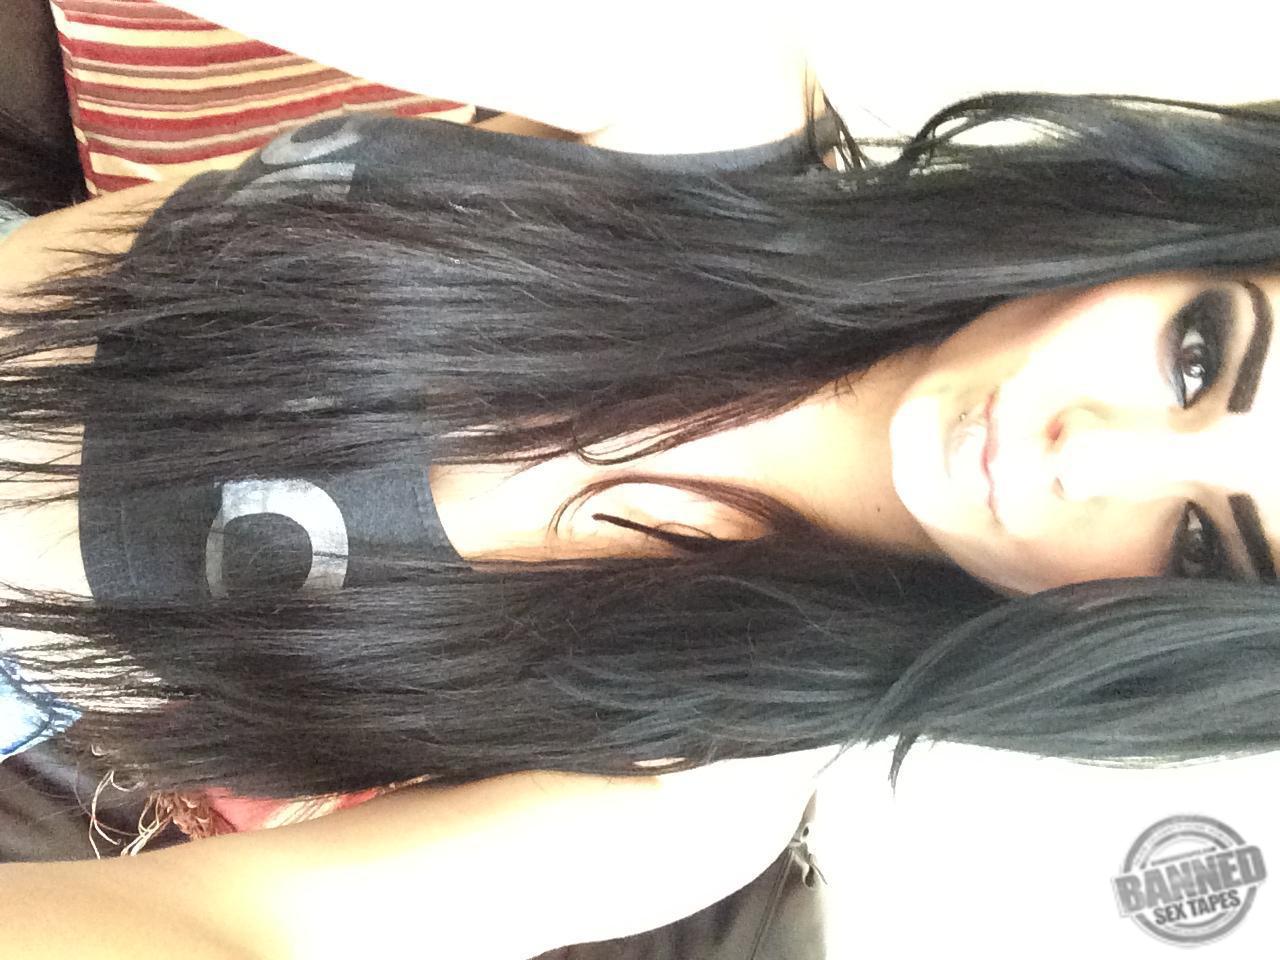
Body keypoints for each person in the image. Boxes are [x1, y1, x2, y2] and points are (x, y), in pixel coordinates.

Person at [1, 84, 1279, 953]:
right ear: (1161, 234)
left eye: (1196, 541)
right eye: (1195, 355)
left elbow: (242, 931)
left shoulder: (694, 787)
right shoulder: (706, 100)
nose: (1090, 455)